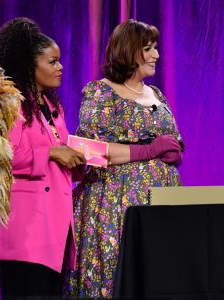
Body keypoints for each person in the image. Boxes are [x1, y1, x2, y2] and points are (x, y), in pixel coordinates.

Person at [66, 19, 183, 298]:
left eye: (156, 48)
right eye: (148, 48)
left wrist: (173, 150)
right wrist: (148, 150)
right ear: (129, 51)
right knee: (115, 275)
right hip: (114, 202)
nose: (156, 55)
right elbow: (88, 151)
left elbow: (173, 139)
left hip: (159, 200)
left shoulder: (156, 94)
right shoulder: (101, 92)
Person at [0, 17, 86, 298]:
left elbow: (57, 159)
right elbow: (0, 155)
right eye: (52, 62)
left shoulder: (51, 106)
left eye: (59, 61)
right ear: (29, 64)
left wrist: (79, 164)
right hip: (23, 231)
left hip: (53, 230)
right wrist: (52, 153)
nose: (61, 67)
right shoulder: (6, 102)